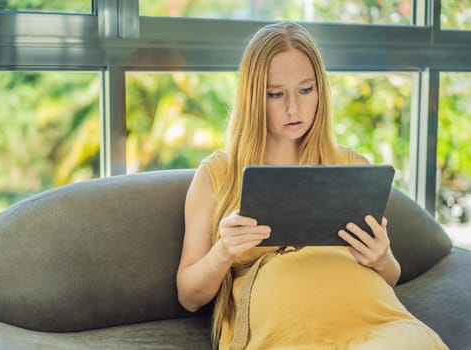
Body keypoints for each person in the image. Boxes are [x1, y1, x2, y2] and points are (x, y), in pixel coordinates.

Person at [176, 21, 448, 350]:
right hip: (286, 336)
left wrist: (382, 258)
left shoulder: (351, 166)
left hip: (380, 325)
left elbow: (389, 277)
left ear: (321, 89)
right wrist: (222, 252)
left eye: (306, 90)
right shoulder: (217, 174)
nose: (294, 108)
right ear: (252, 97)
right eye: (276, 94)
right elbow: (189, 296)